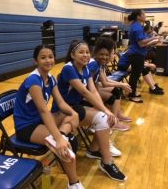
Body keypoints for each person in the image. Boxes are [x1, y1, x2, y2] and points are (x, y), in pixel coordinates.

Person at [52, 40, 127, 181]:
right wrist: (105, 109)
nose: (85, 55)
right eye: (81, 52)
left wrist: (106, 110)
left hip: (76, 107)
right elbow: (85, 94)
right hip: (63, 111)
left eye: (87, 52)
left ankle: (99, 155)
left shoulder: (85, 68)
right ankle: (106, 160)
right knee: (105, 116)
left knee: (106, 117)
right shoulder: (68, 68)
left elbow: (93, 91)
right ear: (72, 55)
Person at [13, 45, 84, 189]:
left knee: (73, 112)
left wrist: (73, 113)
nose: (48, 60)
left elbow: (61, 102)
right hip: (27, 126)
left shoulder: (50, 78)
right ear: (36, 61)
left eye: (50, 57)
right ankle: (74, 183)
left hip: (40, 121)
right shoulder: (34, 81)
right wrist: (58, 138)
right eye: (43, 57)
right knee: (67, 142)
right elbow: (44, 111)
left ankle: (62, 134)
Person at [88, 37, 133, 133]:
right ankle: (112, 121)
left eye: (109, 53)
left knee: (116, 90)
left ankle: (116, 115)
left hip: (92, 88)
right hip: (86, 93)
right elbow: (90, 86)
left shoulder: (99, 63)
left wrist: (121, 84)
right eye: (113, 52)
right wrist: (121, 85)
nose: (113, 54)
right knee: (114, 94)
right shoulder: (93, 64)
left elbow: (104, 81)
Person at [123, 10, 161, 102]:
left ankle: (132, 93)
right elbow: (141, 43)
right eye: (143, 14)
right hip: (136, 55)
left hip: (138, 54)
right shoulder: (137, 27)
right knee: (135, 76)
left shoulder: (137, 26)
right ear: (138, 17)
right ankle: (132, 95)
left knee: (135, 75)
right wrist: (154, 38)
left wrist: (152, 43)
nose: (145, 16)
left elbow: (142, 44)